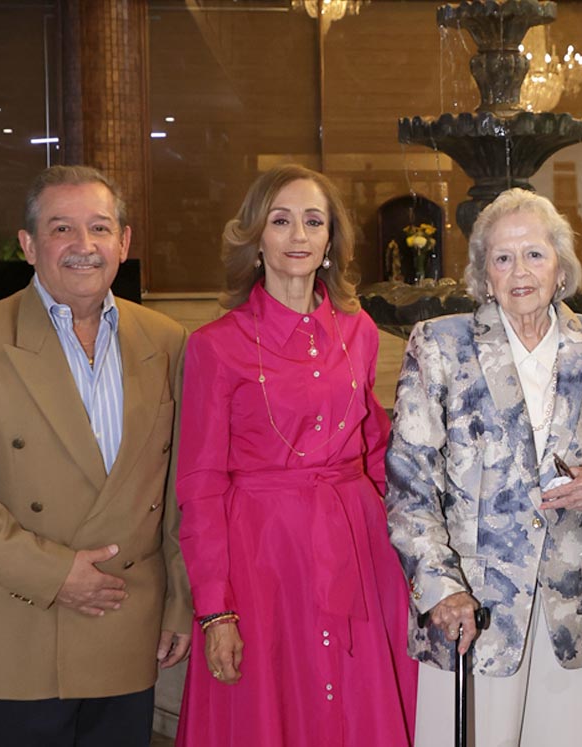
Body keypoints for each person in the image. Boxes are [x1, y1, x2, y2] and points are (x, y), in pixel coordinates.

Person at [0, 165, 191, 746]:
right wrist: (56, 573)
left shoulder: (168, 341)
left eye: (99, 228)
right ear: (28, 244)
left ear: (124, 241)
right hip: (24, 628)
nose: (84, 247)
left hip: (128, 624)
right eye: (62, 229)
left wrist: (181, 601)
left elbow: (179, 492)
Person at [173, 165, 417, 746]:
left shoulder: (358, 330)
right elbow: (200, 486)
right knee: (273, 708)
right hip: (264, 560)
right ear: (256, 238)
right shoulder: (215, 346)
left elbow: (375, 444)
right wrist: (215, 610)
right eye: (280, 221)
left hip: (359, 546)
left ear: (332, 240)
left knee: (359, 705)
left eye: (314, 221)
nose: (299, 235)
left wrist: (418, 546)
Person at [386, 188, 582, 747]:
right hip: (473, 607)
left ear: (561, 266)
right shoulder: (440, 344)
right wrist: (440, 589)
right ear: (483, 273)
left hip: (575, 604)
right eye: (503, 257)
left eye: (535, 254)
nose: (520, 271)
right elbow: (408, 483)